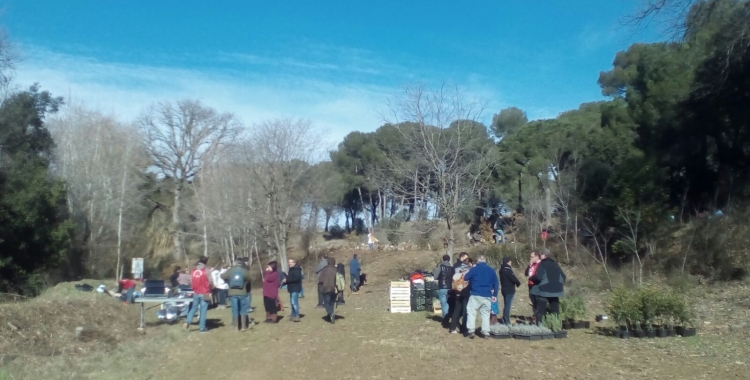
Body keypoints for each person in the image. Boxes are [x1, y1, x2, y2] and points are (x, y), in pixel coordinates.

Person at [463, 255, 499, 339]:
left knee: (471, 311)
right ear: (485, 261)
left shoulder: (474, 269)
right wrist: (495, 295)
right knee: (486, 314)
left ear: (478, 261)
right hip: (487, 294)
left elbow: (466, 277)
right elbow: (496, 283)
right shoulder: (491, 270)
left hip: (475, 293)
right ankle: (486, 332)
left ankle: (471, 330)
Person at [530, 249, 566, 325]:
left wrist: (532, 278)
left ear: (544, 255)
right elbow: (563, 277)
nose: (539, 257)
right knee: (555, 311)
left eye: (540, 255)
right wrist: (558, 284)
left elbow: (539, 277)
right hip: (556, 291)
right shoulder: (555, 264)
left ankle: (539, 326)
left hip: (544, 291)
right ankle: (556, 325)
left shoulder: (542, 264)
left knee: (540, 311)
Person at [221, 259, 252, 331]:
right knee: (243, 309)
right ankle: (244, 326)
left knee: (235, 309)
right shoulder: (245, 271)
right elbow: (249, 280)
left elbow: (222, 276)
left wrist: (228, 281)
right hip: (242, 292)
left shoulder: (231, 270)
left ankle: (236, 326)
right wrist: (244, 285)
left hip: (232, 292)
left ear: (235, 263)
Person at [184, 256, 211, 332]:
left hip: (196, 292)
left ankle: (187, 321)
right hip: (205, 292)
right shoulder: (206, 270)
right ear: (205, 262)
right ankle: (202, 327)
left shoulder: (193, 270)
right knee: (203, 310)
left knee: (193, 308)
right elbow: (210, 281)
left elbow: (191, 281)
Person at [449, 252, 471, 334]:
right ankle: (464, 329)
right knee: (465, 310)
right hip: (465, 290)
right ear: (462, 257)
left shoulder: (455, 266)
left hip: (456, 290)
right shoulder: (467, 268)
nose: (467, 259)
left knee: (456, 309)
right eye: (466, 258)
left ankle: (452, 328)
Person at [499, 257, 521, 325]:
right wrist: (518, 283)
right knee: (508, 305)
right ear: (507, 262)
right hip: (509, 290)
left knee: (506, 305)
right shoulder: (507, 270)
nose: (511, 263)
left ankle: (504, 318)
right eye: (510, 261)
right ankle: (506, 320)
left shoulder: (501, 270)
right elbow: (513, 278)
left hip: (504, 289)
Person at [433, 254, 454, 322]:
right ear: (449, 260)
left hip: (442, 286)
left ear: (443, 259)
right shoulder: (452, 268)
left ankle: (445, 317)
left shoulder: (440, 266)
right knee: (448, 302)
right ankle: (449, 315)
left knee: (443, 302)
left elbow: (435, 276)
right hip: (450, 287)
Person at [319, 258, 338, 324]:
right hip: (334, 288)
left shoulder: (324, 269)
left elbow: (321, 279)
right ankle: (330, 315)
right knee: (332, 302)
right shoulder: (336, 269)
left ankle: (330, 313)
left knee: (326, 303)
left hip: (326, 288)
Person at [525, 250, 542, 321]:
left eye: (532, 257)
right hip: (530, 284)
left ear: (537, 257)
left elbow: (539, 276)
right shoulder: (532, 264)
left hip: (537, 285)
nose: (530, 258)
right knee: (533, 300)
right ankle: (535, 315)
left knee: (537, 301)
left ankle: (538, 317)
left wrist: (532, 278)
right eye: (530, 257)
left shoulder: (540, 264)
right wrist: (529, 265)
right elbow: (526, 273)